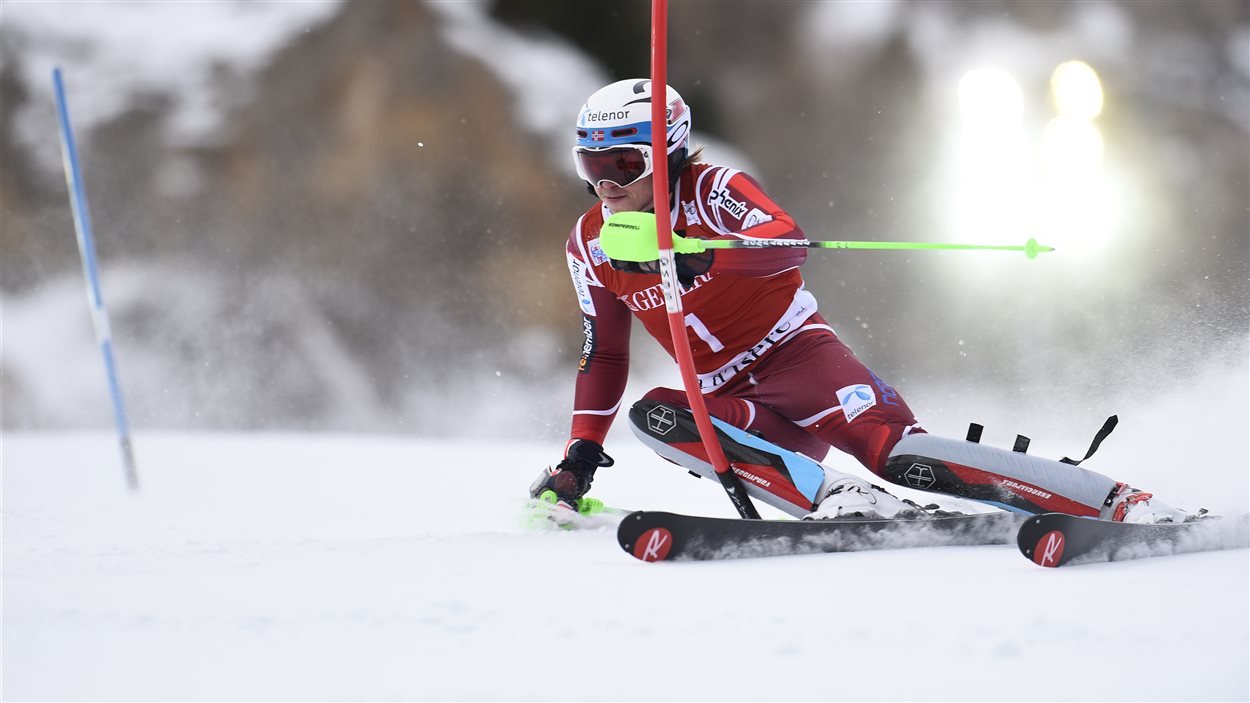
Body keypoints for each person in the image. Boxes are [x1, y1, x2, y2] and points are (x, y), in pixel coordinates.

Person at [529, 78, 1188, 525]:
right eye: (591, 167)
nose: (605, 185)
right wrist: (580, 454)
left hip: (799, 357)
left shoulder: (711, 188)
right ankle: (841, 497)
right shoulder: (589, 244)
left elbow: (784, 243)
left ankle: (1114, 502)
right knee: (657, 416)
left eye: (622, 165)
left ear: (666, 153)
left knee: (895, 451)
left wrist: (698, 250)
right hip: (731, 401)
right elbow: (605, 351)